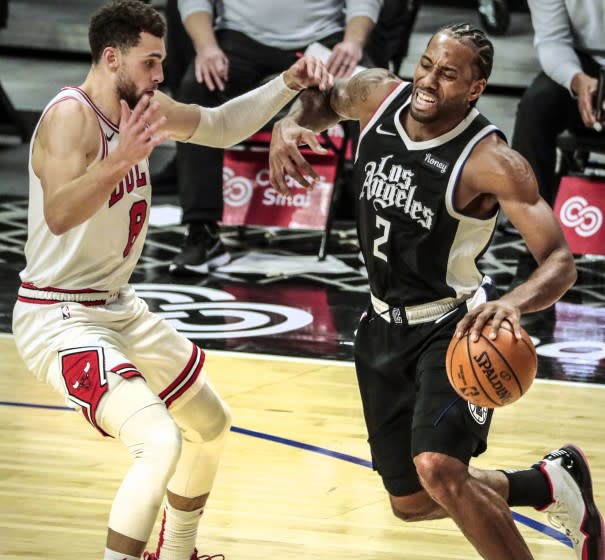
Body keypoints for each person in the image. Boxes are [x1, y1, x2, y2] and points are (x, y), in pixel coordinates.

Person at [268, 23, 604, 560]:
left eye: (448, 74)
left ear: (476, 87)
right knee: (412, 500)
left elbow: (561, 262)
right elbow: (321, 103)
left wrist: (511, 303)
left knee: (439, 469)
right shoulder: (377, 95)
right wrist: (290, 122)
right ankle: (547, 484)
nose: (428, 80)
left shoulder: (491, 161)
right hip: (381, 325)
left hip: (453, 328)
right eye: (426, 64)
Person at [10, 1, 332, 559]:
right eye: (150, 62)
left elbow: (220, 124)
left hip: (117, 307)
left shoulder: (146, 106)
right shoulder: (71, 116)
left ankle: (177, 552)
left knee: (211, 424)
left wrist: (287, 81)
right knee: (158, 443)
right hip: (57, 315)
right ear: (112, 59)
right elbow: (60, 212)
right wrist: (121, 159)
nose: (159, 75)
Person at [169, 0, 381, 275]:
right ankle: (201, 231)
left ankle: (379, 237)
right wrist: (206, 47)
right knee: (197, 87)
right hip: (239, 38)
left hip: (326, 41)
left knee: (373, 95)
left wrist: (353, 42)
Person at [512, 0, 605, 210]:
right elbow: (552, 41)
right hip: (584, 60)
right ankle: (536, 228)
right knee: (534, 110)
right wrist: (576, 80)